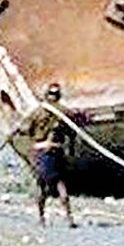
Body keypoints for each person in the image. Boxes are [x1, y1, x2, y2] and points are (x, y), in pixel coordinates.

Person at [25, 83, 77, 228]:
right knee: (60, 184)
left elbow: (27, 130)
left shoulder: (38, 112)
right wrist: (71, 151)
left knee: (42, 186)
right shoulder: (64, 113)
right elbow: (72, 133)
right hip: (56, 151)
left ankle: (41, 218)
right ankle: (68, 218)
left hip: (41, 152)